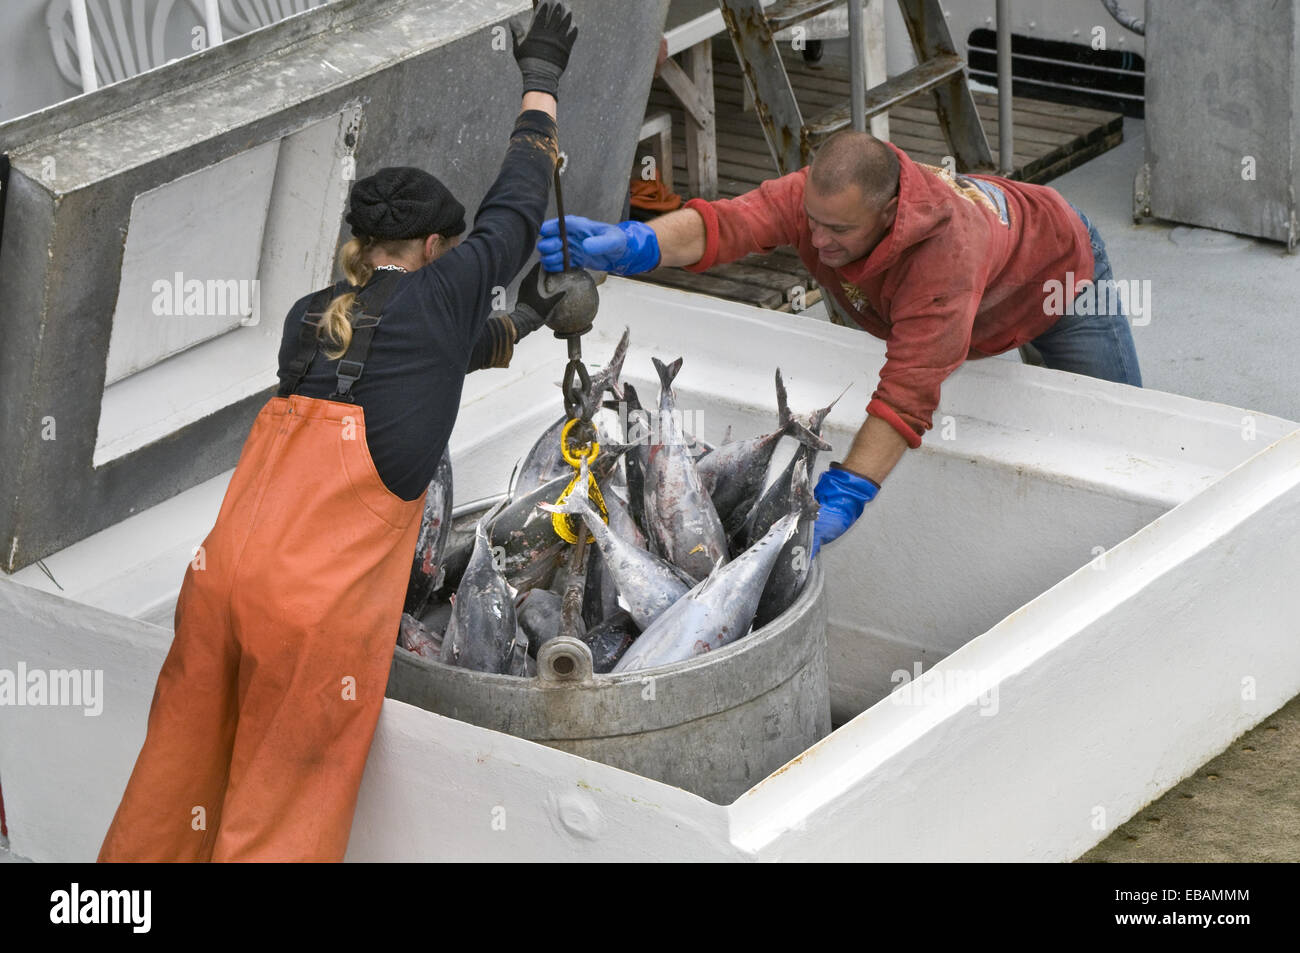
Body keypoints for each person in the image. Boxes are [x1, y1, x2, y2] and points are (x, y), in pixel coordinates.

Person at [98, 0, 580, 863]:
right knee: (278, 813)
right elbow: (514, 205)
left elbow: (393, 372)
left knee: (174, 784)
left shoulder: (307, 317)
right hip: (311, 614)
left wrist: (528, 322)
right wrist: (540, 84)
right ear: (435, 246)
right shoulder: (442, 292)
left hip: (221, 582)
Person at [536, 131, 1141, 558]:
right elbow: (727, 225)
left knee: (1121, 439)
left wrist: (852, 487)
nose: (817, 242)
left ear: (889, 212)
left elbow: (906, 398)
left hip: (1057, 281)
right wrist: (636, 242)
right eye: (812, 221)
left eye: (839, 230)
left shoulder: (946, 258)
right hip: (915, 301)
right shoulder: (821, 201)